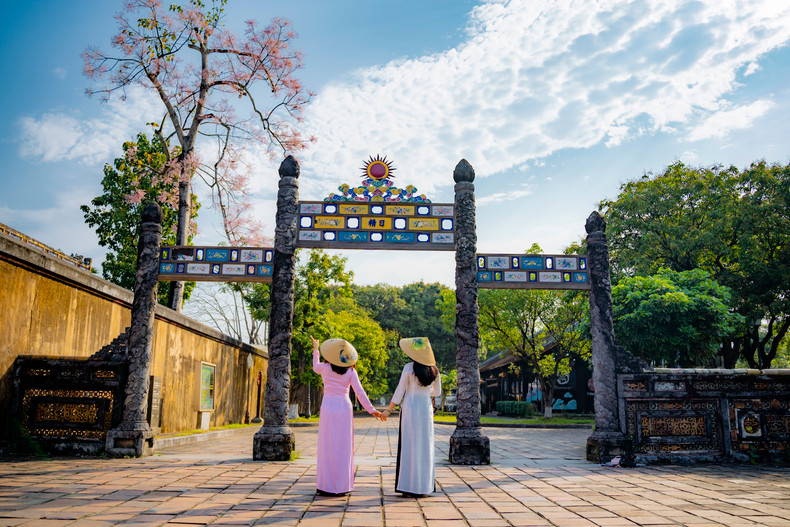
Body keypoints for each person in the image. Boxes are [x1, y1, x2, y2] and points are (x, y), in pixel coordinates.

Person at [310, 335, 382, 496]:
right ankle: (342, 486)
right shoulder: (351, 371)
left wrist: (316, 348)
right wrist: (371, 410)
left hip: (328, 408)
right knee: (343, 446)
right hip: (344, 407)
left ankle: (325, 485)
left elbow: (315, 366)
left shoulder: (324, 368)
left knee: (327, 445)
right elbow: (360, 393)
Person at [382, 337, 441, 497]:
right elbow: (437, 392)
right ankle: (424, 488)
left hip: (410, 409)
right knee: (425, 446)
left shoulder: (409, 368)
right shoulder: (434, 370)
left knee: (409, 446)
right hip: (425, 409)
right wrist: (425, 391)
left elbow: (399, 391)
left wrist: (388, 410)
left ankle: (409, 487)